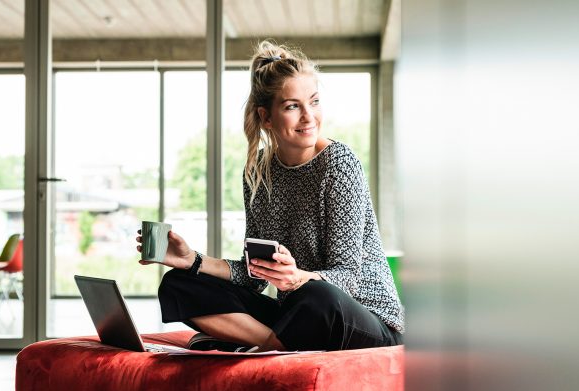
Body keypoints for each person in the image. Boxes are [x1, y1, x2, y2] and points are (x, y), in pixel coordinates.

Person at [136, 40, 403, 352]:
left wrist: (298, 277)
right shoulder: (258, 174)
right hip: (298, 314)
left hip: (363, 319)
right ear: (266, 117)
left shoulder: (339, 163)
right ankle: (272, 345)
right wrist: (192, 260)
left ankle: (260, 345)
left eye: (314, 102)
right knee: (178, 284)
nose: (309, 117)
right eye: (292, 106)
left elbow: (349, 276)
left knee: (317, 295)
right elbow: (254, 276)